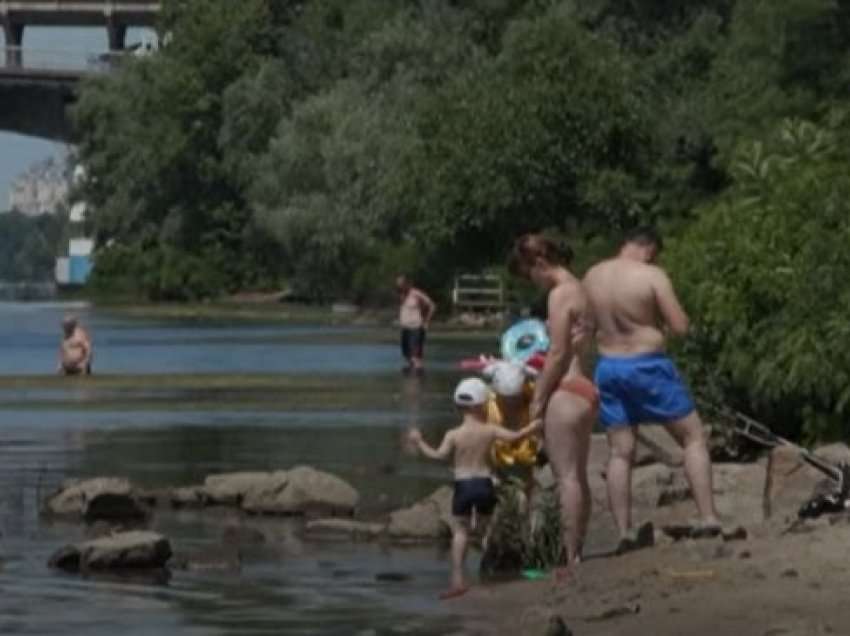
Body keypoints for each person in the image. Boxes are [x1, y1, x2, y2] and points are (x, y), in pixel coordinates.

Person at [583, 226, 721, 551]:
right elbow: (680, 326)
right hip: (647, 366)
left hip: (608, 367)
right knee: (693, 437)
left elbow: (586, 327)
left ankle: (624, 531)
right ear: (648, 249)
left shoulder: (592, 276)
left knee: (620, 451)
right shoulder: (651, 275)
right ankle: (709, 517)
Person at [508, 234, 597, 579]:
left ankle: (570, 554)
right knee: (580, 476)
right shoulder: (583, 288)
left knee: (567, 477)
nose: (533, 282)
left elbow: (558, 354)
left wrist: (538, 401)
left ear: (540, 264)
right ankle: (578, 548)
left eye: (530, 274)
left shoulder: (560, 294)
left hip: (565, 391)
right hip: (587, 387)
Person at [408, 377, 540, 600]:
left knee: (460, 531)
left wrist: (419, 441)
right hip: (484, 483)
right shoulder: (490, 430)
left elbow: (438, 455)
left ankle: (458, 576)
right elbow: (515, 437)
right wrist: (533, 426)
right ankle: (489, 565)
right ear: (483, 405)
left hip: (463, 485)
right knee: (486, 527)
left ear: (458, 407)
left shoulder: (454, 434)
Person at [396, 275, 436, 373]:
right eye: (398, 286)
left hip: (416, 328)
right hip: (405, 328)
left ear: (407, 284)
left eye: (401, 285)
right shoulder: (401, 295)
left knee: (415, 356)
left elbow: (432, 306)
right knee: (407, 355)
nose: (399, 287)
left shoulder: (416, 294)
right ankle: (411, 379)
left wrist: (427, 321)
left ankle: (418, 379)